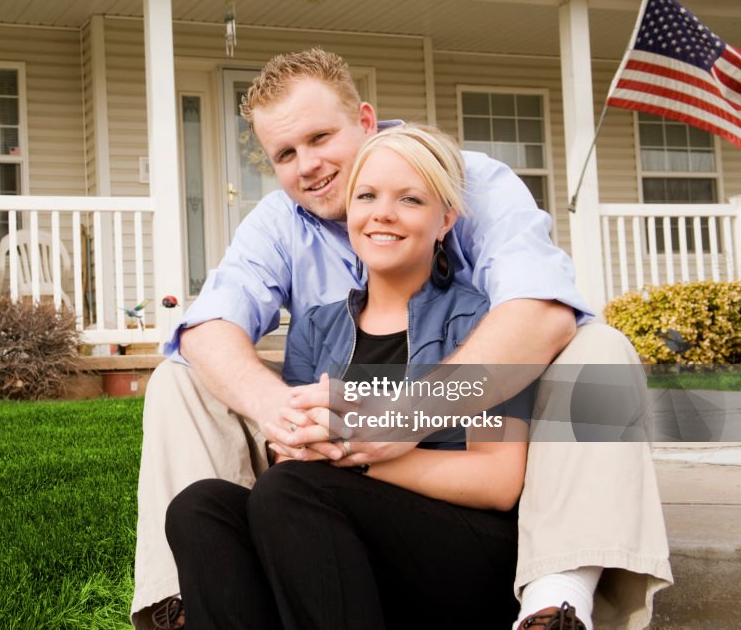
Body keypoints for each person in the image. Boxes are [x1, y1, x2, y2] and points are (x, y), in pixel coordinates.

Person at [133, 49, 671, 630]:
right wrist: (287, 419)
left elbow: (540, 313)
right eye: (285, 154)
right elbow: (209, 325)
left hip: (468, 451)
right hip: (327, 487)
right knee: (181, 383)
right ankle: (188, 598)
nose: (308, 165)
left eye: (320, 137)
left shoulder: (470, 184)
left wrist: (391, 424)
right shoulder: (288, 242)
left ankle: (553, 599)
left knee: (600, 354)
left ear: (365, 121)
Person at [166, 123, 535, 628]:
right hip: (337, 530)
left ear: (445, 219)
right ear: (350, 212)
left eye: (409, 199)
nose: (383, 212)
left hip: (466, 550)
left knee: (290, 488)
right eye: (367, 196)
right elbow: (289, 458)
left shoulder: (481, 324)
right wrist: (306, 450)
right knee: (200, 506)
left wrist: (357, 459)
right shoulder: (317, 326)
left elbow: (498, 481)